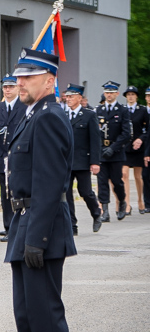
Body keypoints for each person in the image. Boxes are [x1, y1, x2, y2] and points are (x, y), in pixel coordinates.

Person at [0, 48, 76, 332]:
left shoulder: (49, 117)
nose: (20, 83)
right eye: (18, 77)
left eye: (28, 77)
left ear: (49, 80)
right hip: (25, 222)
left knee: (44, 313)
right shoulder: (29, 114)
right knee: (27, 314)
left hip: (40, 227)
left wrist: (38, 238)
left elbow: (49, 182)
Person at [0, 74, 27, 242]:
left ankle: (19, 226)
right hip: (3, 158)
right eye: (5, 87)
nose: (8, 89)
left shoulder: (25, 107)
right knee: (5, 193)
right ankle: (8, 226)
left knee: (18, 193)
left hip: (19, 157)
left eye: (11, 87)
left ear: (18, 88)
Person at [62, 84, 102, 234]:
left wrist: (95, 162)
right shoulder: (63, 115)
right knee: (66, 194)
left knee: (85, 192)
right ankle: (72, 225)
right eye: (67, 96)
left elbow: (95, 140)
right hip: (66, 161)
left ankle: (96, 213)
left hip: (82, 161)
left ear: (80, 98)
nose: (68, 99)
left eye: (71, 96)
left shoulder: (89, 115)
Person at [95, 81, 132, 222]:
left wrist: (113, 148)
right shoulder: (98, 110)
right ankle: (104, 211)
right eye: (107, 92)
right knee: (102, 181)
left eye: (111, 92)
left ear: (116, 94)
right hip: (102, 152)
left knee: (117, 181)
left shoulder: (122, 110)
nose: (109, 95)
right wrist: (100, 148)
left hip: (116, 152)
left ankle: (122, 201)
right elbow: (95, 132)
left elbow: (126, 134)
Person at [121, 85, 148, 214]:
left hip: (139, 147)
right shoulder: (122, 110)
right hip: (125, 147)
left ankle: (140, 201)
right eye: (128, 95)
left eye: (133, 94)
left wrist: (141, 139)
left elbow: (148, 129)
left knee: (138, 176)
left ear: (136, 96)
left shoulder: (142, 110)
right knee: (124, 174)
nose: (130, 97)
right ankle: (127, 204)